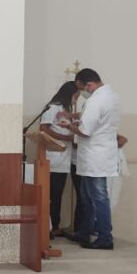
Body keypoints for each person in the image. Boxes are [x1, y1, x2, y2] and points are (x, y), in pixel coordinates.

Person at [69, 67, 121, 250]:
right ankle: (84, 232)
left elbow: (85, 131)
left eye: (81, 88)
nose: (82, 92)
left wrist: (70, 127)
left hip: (95, 156)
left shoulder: (96, 100)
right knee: (87, 196)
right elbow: (97, 121)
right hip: (99, 153)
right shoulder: (112, 96)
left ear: (89, 84)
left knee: (98, 197)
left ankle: (105, 237)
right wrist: (78, 118)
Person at [39, 81, 76, 237]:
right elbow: (43, 129)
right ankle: (48, 227)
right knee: (51, 195)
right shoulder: (53, 108)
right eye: (76, 96)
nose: (76, 99)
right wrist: (66, 138)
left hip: (63, 159)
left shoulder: (67, 110)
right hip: (53, 158)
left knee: (57, 195)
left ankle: (55, 225)